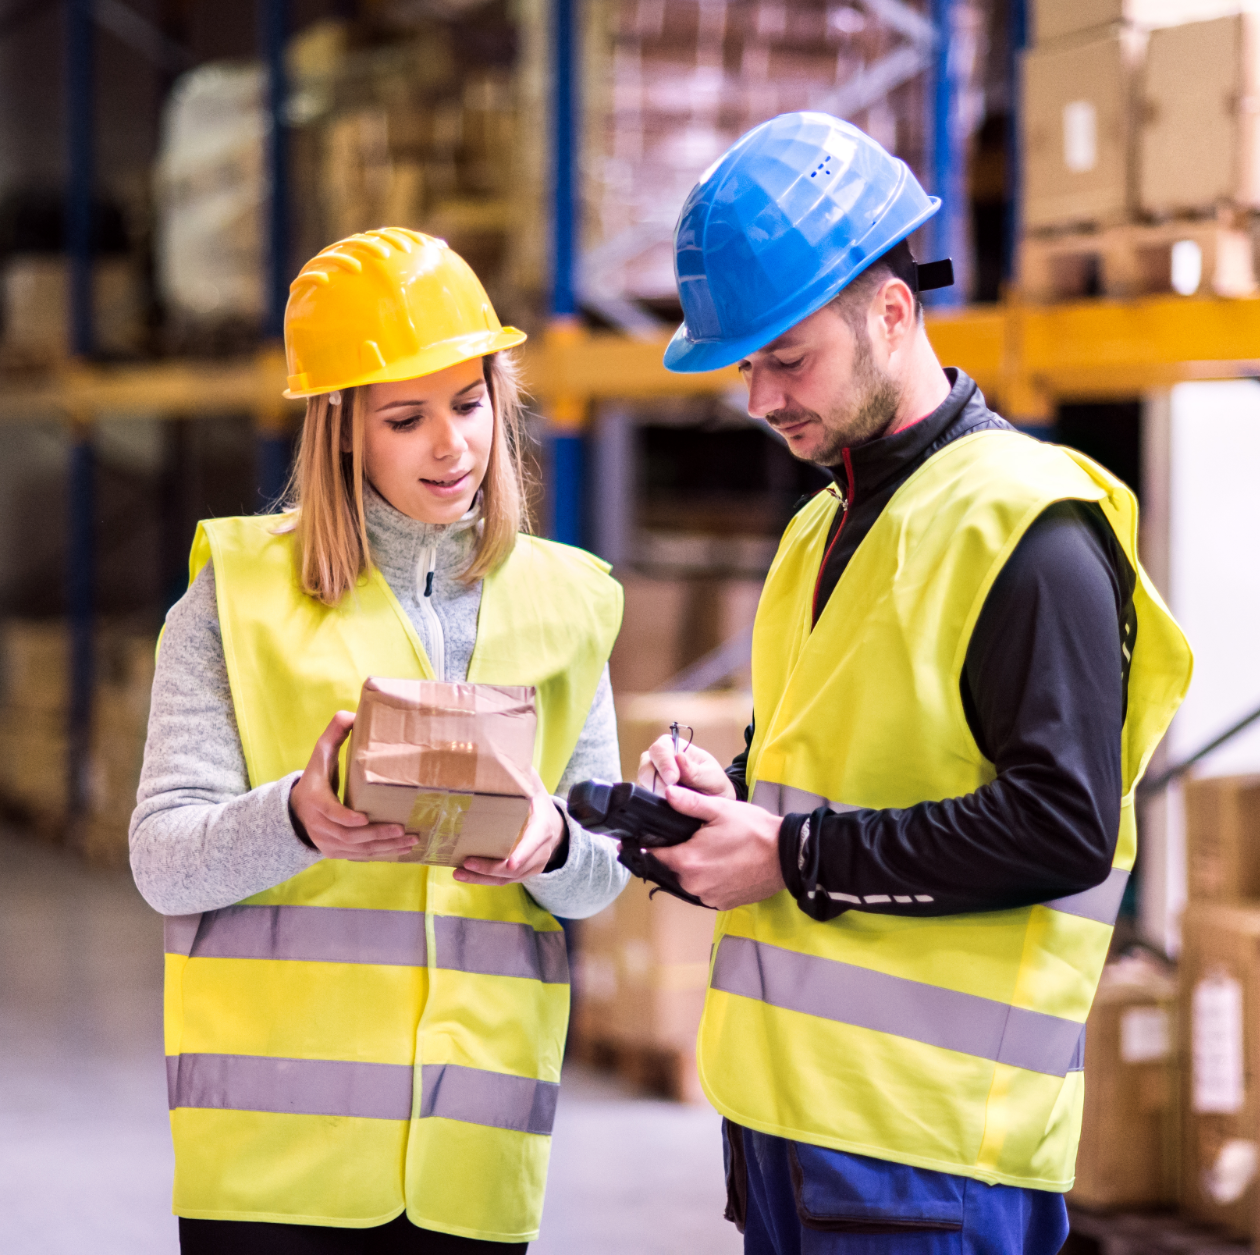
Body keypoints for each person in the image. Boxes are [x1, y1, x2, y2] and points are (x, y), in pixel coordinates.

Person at [639, 113, 1192, 1254]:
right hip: (790, 1127)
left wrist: (788, 854)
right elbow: (820, 776)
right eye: (746, 365)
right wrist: (715, 800)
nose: (759, 399)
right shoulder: (815, 533)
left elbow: (1062, 825)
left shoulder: (1024, 527)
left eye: (785, 359)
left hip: (931, 1158)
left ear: (891, 313)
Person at [130, 227, 630, 1254]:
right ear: (342, 428)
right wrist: (297, 818)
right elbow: (163, 861)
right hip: (274, 1167)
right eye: (406, 418)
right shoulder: (235, 597)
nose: (452, 445)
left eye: (469, 402)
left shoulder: (567, 603)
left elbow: (602, 875)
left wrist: (556, 844)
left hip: (471, 1161)